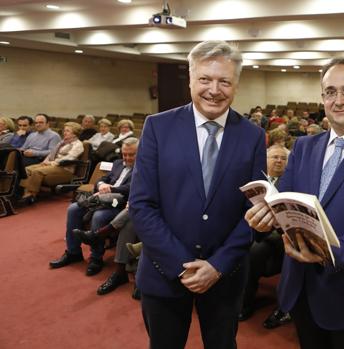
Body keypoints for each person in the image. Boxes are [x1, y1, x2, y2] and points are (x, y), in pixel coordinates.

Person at [245, 56, 344, 349]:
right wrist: (267, 215)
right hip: (300, 286)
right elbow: (286, 203)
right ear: (322, 98)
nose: (338, 100)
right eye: (330, 92)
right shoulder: (305, 147)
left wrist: (326, 254)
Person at [129, 40, 266, 349]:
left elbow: (253, 212)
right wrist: (182, 266)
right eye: (205, 79)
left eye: (224, 81)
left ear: (236, 85)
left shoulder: (253, 136)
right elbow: (141, 205)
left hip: (225, 276)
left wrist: (216, 266)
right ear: (191, 79)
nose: (214, 90)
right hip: (164, 272)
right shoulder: (157, 127)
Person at [49, 138, 137, 275]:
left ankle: (96, 258)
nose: (127, 157)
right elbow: (103, 179)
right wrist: (102, 185)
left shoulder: (143, 167)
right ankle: (73, 252)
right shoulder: (118, 163)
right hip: (103, 198)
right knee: (73, 209)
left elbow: (132, 188)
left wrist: (111, 189)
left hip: (119, 205)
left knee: (99, 215)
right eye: (125, 154)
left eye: (131, 154)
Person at [239, 144, 292, 329]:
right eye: (274, 157)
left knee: (256, 250)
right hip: (249, 227)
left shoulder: (292, 181)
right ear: (265, 160)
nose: (279, 161)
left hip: (278, 235)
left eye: (283, 158)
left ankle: (244, 304)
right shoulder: (254, 180)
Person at [19, 122, 83, 203]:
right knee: (27, 169)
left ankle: (31, 195)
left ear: (74, 134)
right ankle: (23, 192)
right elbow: (51, 153)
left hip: (65, 169)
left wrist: (51, 163)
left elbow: (69, 158)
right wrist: (45, 162)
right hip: (52, 166)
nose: (64, 132)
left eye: (68, 131)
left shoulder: (78, 144)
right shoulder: (63, 142)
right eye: (64, 130)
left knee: (37, 172)